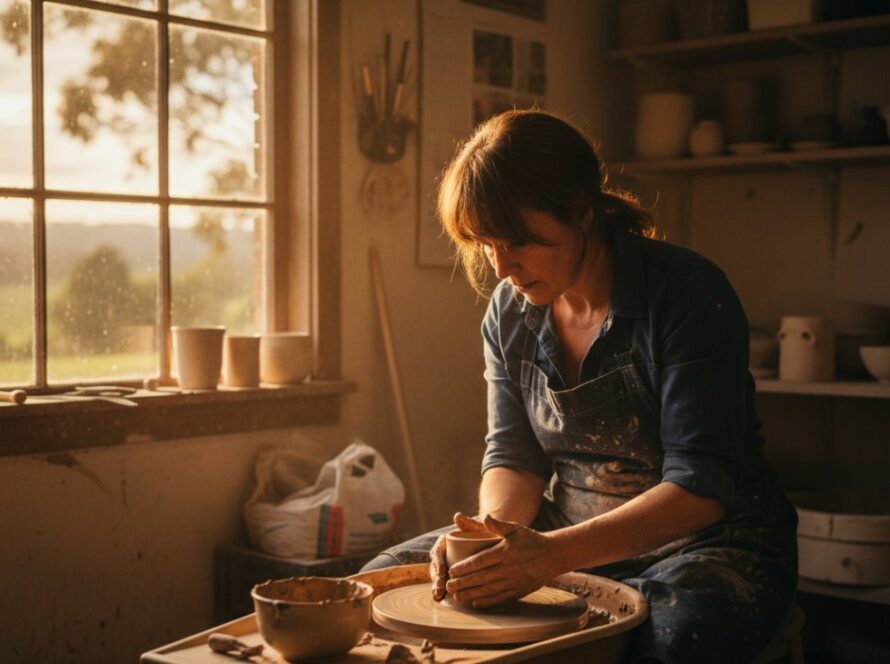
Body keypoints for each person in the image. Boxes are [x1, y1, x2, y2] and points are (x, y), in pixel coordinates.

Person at [360, 110, 798, 663]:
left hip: (710, 545)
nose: (501, 268)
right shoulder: (512, 311)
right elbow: (514, 456)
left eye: (517, 241)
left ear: (583, 212)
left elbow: (701, 487)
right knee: (376, 586)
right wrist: (497, 538)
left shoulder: (685, 293)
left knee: (668, 642)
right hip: (564, 532)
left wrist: (548, 558)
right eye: (486, 244)